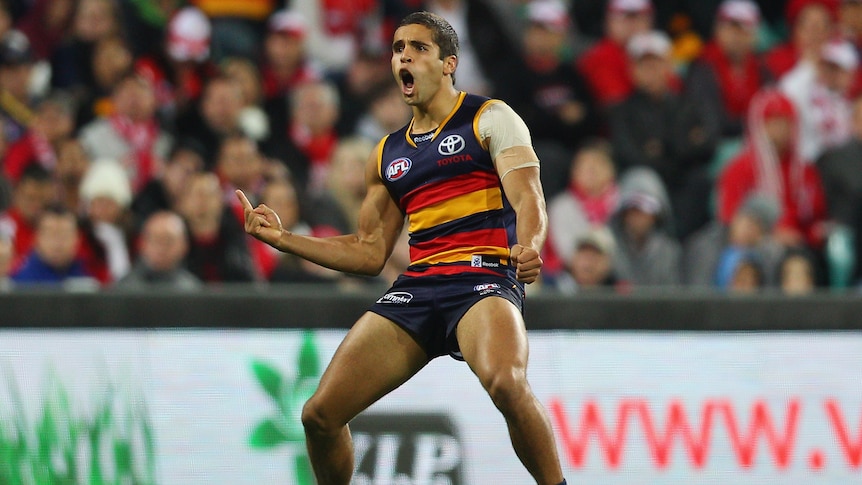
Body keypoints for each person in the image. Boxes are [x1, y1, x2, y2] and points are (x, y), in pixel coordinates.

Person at [236, 12, 566, 485]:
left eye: (417, 47)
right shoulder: (387, 152)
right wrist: (284, 240)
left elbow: (528, 195)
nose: (403, 56)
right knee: (319, 416)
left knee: (506, 382)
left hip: (482, 277)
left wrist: (530, 245)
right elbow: (370, 252)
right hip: (418, 285)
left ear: (449, 63)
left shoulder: (489, 117)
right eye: (396, 48)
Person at [114, 210, 202, 290]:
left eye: (168, 241)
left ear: (184, 246)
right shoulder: (123, 289)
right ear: (142, 244)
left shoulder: (193, 290)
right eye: (156, 239)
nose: (161, 247)